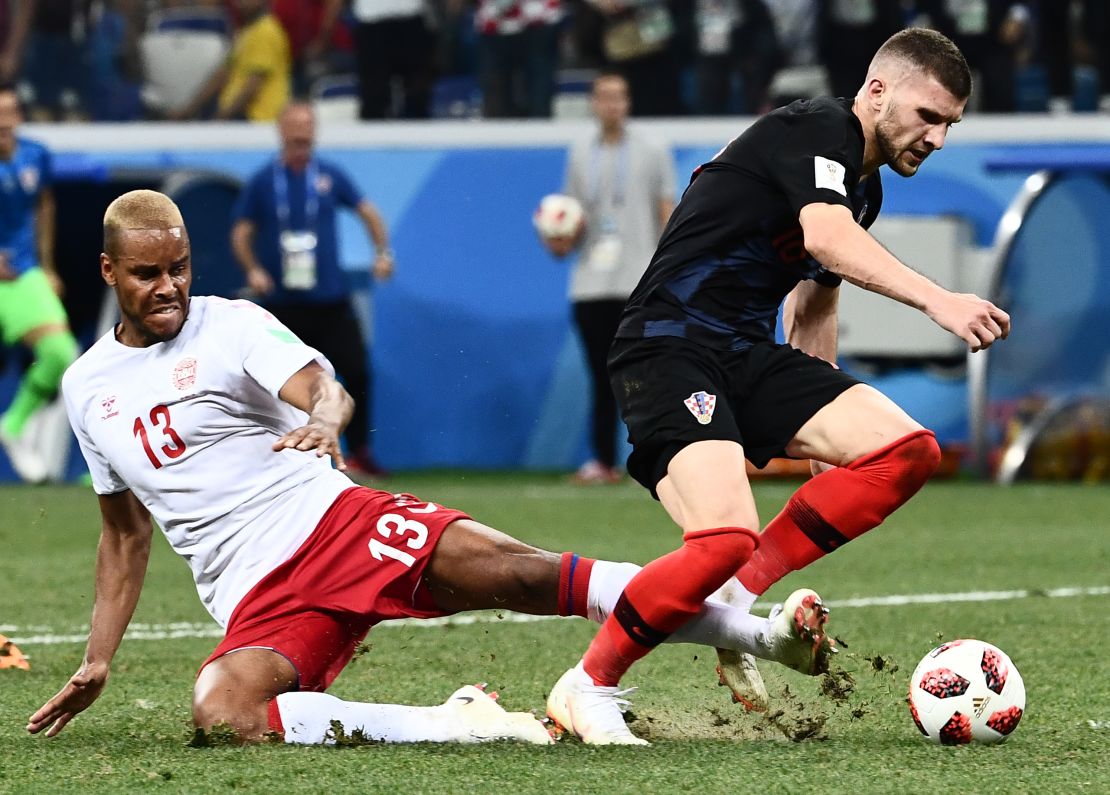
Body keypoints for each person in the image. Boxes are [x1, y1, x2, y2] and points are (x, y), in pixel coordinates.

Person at [27, 189, 826, 746]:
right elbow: (123, 536)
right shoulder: (88, 386)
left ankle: (762, 633)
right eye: (147, 275)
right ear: (108, 272)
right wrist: (98, 657)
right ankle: (460, 719)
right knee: (225, 711)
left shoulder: (228, 326)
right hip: (254, 597)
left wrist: (322, 420)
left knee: (527, 575)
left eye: (179, 268)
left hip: (332, 524)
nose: (168, 287)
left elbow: (322, 388)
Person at [545, 28, 1011, 745]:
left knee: (907, 451)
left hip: (745, 353)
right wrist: (937, 299)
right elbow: (825, 239)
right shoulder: (816, 128)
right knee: (722, 535)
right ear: (877, 91)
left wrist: (823, 429)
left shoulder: (865, 185)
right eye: (929, 116)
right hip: (668, 348)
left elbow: (816, 302)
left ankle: (736, 596)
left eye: (951, 123)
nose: (939, 138)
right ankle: (589, 683)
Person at [231, 101, 390, 477]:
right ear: (282, 131)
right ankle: (279, 453)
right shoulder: (264, 180)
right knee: (273, 381)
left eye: (308, 126)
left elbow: (367, 210)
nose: (302, 135)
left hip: (330, 301)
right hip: (283, 306)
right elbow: (241, 231)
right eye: (295, 127)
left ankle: (361, 452)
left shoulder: (330, 175)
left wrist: (382, 252)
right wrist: (253, 268)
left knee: (357, 371)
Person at [541, 72, 675, 485]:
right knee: (601, 375)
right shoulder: (581, 150)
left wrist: (669, 268)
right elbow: (572, 213)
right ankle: (603, 461)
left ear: (628, 102)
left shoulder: (653, 149)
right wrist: (559, 237)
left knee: (646, 375)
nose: (611, 105)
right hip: (590, 282)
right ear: (594, 103)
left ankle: (660, 459)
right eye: (603, 97)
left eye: (618, 97)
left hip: (638, 278)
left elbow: (666, 210)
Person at [0, 83, 78, 483]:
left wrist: (47, 265)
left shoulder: (35, 155)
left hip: (22, 274)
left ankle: (13, 426)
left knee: (61, 353)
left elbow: (43, 203)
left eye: (9, 112)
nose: (3, 121)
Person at [171, 0, 291, 122]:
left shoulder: (266, 31)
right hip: (238, 114)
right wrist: (189, 109)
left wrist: (222, 118)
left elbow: (253, 84)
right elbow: (223, 73)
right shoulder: (246, 31)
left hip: (258, 118)